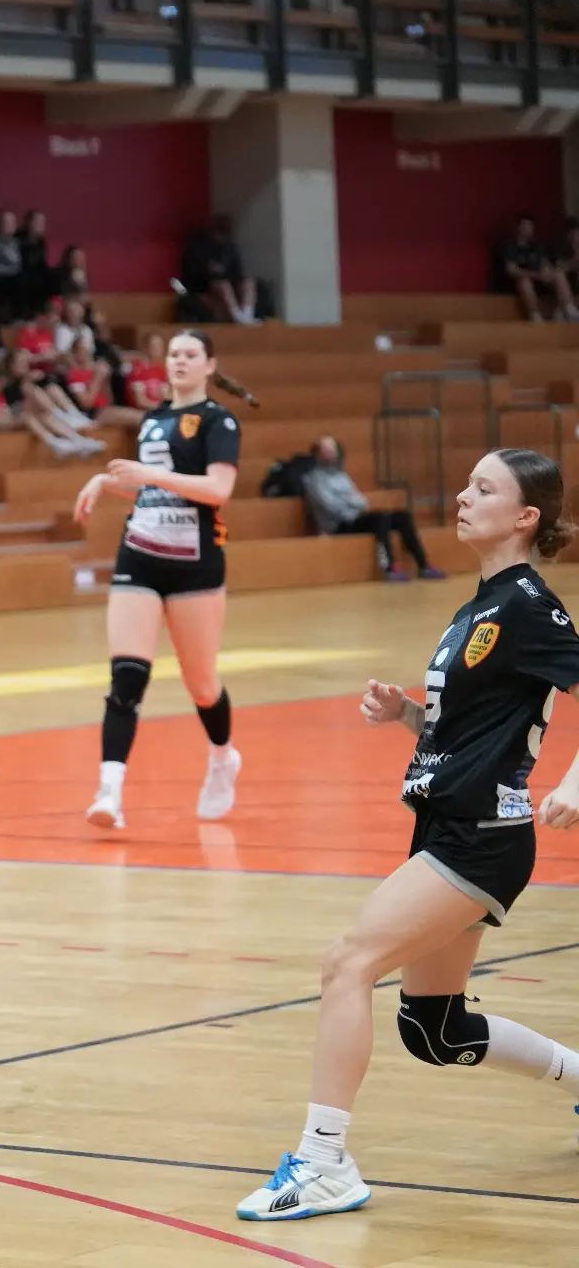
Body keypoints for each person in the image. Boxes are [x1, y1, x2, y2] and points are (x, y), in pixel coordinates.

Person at [237, 449, 579, 1221]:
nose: (463, 495)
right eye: (467, 484)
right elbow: (477, 731)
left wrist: (574, 784)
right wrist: (408, 717)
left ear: (525, 517)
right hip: (448, 826)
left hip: (481, 835)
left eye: (484, 488)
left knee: (347, 963)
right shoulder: (477, 610)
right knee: (435, 1030)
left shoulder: (530, 605)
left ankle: (324, 1163)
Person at [72, 330, 252, 831]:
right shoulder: (153, 419)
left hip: (195, 564)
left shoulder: (219, 421)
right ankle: (109, 792)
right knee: (128, 675)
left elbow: (217, 489)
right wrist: (106, 481)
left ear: (210, 364)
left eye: (191, 354)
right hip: (140, 555)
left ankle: (222, 758)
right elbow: (152, 492)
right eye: (174, 354)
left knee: (202, 684)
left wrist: (149, 477)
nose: (180, 361)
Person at [302, 436, 446, 581]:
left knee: (402, 516)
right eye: (326, 450)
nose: (331, 453)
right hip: (338, 525)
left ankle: (423, 565)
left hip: (355, 517)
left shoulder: (342, 475)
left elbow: (362, 502)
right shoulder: (314, 479)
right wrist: (350, 502)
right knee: (380, 518)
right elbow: (331, 506)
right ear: (318, 453)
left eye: (332, 449)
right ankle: (389, 568)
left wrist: (349, 502)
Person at [497, 215, 575, 322]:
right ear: (519, 227)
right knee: (524, 281)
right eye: (526, 225)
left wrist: (547, 270)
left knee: (558, 273)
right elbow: (512, 270)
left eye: (531, 226)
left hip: (539, 279)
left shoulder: (536, 246)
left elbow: (544, 263)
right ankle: (535, 315)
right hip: (520, 283)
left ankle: (568, 309)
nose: (529, 229)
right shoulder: (511, 246)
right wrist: (537, 275)